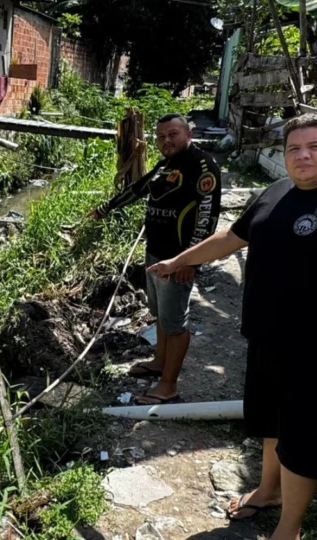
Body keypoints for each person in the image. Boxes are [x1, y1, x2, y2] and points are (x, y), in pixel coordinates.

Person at [147, 112, 317, 540]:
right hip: (267, 338)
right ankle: (268, 490)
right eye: (294, 149)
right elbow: (232, 237)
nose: (302, 156)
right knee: (270, 423)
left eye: (314, 147)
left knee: (304, 441)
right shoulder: (276, 192)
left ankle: (289, 528)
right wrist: (179, 260)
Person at [87, 113, 221, 405]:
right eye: (161, 137)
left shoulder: (202, 167)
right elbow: (139, 189)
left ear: (188, 134)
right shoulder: (166, 164)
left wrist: (190, 261)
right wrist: (105, 208)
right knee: (160, 313)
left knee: (175, 323)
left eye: (173, 134)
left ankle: (168, 386)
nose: (166, 140)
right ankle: (159, 361)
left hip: (178, 259)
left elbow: (207, 219)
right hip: (155, 253)